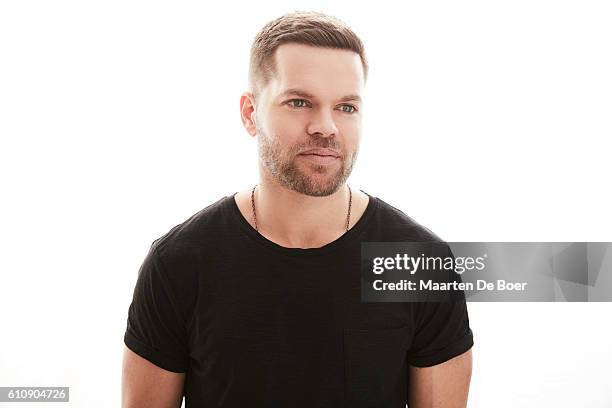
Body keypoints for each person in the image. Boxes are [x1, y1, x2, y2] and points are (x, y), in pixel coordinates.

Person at [122, 10, 473, 408]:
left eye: (346, 107)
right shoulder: (179, 264)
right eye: (300, 101)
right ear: (250, 113)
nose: (326, 126)